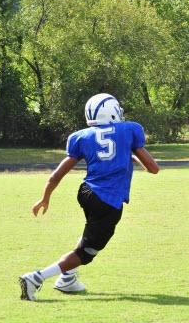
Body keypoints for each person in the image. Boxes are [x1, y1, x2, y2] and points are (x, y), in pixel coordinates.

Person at [18, 94, 160, 301]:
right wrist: (133, 154)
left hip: (86, 192)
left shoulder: (81, 136)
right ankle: (36, 278)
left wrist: (45, 198)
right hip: (108, 200)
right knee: (88, 252)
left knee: (89, 232)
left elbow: (56, 175)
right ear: (112, 111)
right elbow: (153, 169)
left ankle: (68, 279)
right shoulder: (130, 129)